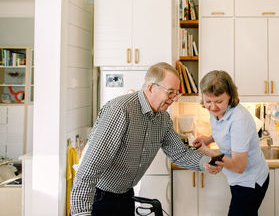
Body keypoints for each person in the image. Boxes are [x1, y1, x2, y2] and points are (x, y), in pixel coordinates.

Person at [70, 62, 221, 216]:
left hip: (125, 196)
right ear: (150, 87)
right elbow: (89, 169)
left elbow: (179, 153)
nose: (174, 99)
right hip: (99, 198)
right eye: (170, 92)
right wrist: (81, 213)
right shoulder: (120, 110)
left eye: (176, 93)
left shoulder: (163, 119)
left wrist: (206, 162)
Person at [193, 70, 269, 216]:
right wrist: (207, 140)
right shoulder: (216, 111)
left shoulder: (239, 119)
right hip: (237, 179)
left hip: (250, 181)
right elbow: (223, 131)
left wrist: (208, 152)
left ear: (230, 96)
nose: (213, 107)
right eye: (208, 101)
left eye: (219, 101)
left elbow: (239, 166)